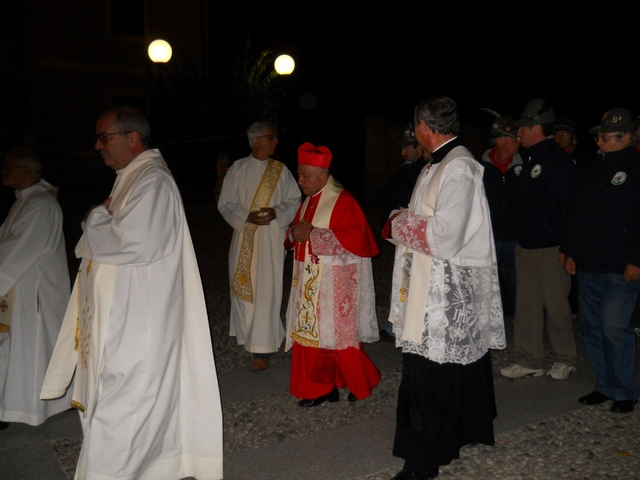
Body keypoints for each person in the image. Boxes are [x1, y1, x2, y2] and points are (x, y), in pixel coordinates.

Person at [40, 106, 223, 480]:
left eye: (104, 137)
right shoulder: (133, 177)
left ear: (132, 138)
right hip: (123, 320)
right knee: (124, 409)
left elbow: (134, 242)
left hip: (140, 322)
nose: (97, 145)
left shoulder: (152, 181)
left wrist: (94, 217)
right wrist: (99, 219)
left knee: (124, 409)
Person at [383, 96, 506, 480]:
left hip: (442, 292)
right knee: (451, 368)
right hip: (431, 281)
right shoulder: (436, 164)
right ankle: (460, 432)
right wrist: (406, 218)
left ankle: (423, 460)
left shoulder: (459, 168)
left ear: (424, 125)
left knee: (428, 372)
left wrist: (396, 223)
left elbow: (445, 236)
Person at [285, 142, 381, 407]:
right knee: (310, 335)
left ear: (323, 177)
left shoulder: (343, 200)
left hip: (336, 284)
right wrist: (293, 234)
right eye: (299, 174)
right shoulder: (308, 201)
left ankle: (363, 379)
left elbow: (357, 240)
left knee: (340, 337)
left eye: (305, 175)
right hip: (309, 281)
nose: (300, 180)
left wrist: (314, 235)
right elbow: (295, 232)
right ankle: (320, 388)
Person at [561, 107, 640, 414]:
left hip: (622, 268)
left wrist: (637, 259)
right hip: (588, 265)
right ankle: (605, 385)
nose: (599, 143)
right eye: (599, 137)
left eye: (606, 138)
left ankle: (625, 390)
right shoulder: (590, 169)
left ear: (627, 138)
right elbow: (573, 213)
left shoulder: (635, 168)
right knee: (592, 328)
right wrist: (569, 250)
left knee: (614, 328)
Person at [500, 99, 578, 381]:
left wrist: (568, 248)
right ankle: (530, 359)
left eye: (522, 129)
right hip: (526, 246)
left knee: (556, 306)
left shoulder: (557, 160)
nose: (518, 134)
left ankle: (565, 358)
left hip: (551, 248)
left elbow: (569, 208)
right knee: (526, 308)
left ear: (536, 128)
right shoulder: (529, 159)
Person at [218, 120, 301, 371]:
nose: (276, 141)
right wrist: (246, 217)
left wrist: (276, 212)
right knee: (246, 292)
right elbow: (226, 203)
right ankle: (251, 338)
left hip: (270, 241)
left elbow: (295, 200)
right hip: (245, 237)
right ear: (256, 140)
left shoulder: (281, 170)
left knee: (267, 292)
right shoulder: (238, 168)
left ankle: (262, 349)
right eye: (270, 137)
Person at [0, 147, 72, 430]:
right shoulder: (24, 201)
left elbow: (20, 249)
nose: (3, 170)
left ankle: (30, 407)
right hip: (20, 288)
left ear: (28, 170)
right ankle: (12, 403)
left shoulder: (41, 204)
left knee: (30, 349)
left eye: (9, 165)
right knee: (16, 348)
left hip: (34, 292)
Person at [379, 123, 428, 342]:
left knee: (409, 283)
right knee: (400, 281)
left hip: (415, 235)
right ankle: (395, 325)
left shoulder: (425, 170)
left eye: (408, 147)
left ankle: (400, 327)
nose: (403, 153)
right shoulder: (406, 169)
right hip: (401, 233)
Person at [479, 109, 523, 314]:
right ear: (498, 140)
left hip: (517, 238)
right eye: (514, 137)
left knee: (519, 286)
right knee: (489, 286)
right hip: (489, 238)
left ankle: (519, 326)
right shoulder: (478, 168)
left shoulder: (525, 166)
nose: (519, 141)